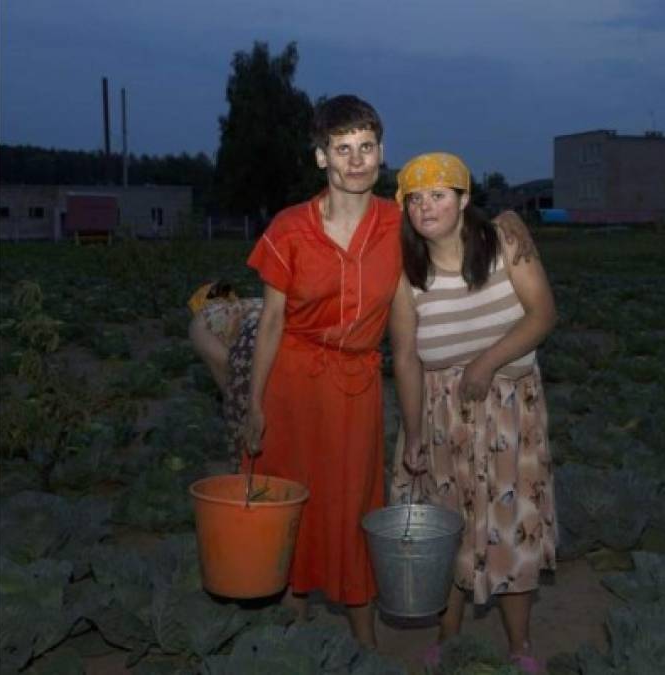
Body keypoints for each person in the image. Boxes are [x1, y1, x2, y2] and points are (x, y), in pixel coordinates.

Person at [243, 95, 535, 648]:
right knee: (289, 500)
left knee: (354, 504)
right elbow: (273, 322)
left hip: (355, 384)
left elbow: (451, 231)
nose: (355, 161)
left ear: (381, 155)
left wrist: (506, 230)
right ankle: (291, 624)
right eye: (342, 149)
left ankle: (364, 636)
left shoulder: (396, 224)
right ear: (321, 158)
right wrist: (255, 403)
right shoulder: (288, 228)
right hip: (290, 383)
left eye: (366, 148)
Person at [388, 152, 558, 672]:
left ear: (463, 200)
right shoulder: (407, 271)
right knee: (448, 528)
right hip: (441, 418)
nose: (426, 207)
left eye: (438, 194)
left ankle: (520, 647)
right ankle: (448, 637)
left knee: (514, 527)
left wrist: (485, 363)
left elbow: (543, 314)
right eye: (415, 199)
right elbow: (405, 358)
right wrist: (413, 434)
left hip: (510, 409)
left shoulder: (506, 241)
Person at [187, 280, 263, 463]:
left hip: (253, 345)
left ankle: (245, 470)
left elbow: (228, 366)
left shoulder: (199, 323)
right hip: (287, 336)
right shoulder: (251, 303)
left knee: (243, 422)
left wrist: (235, 407)